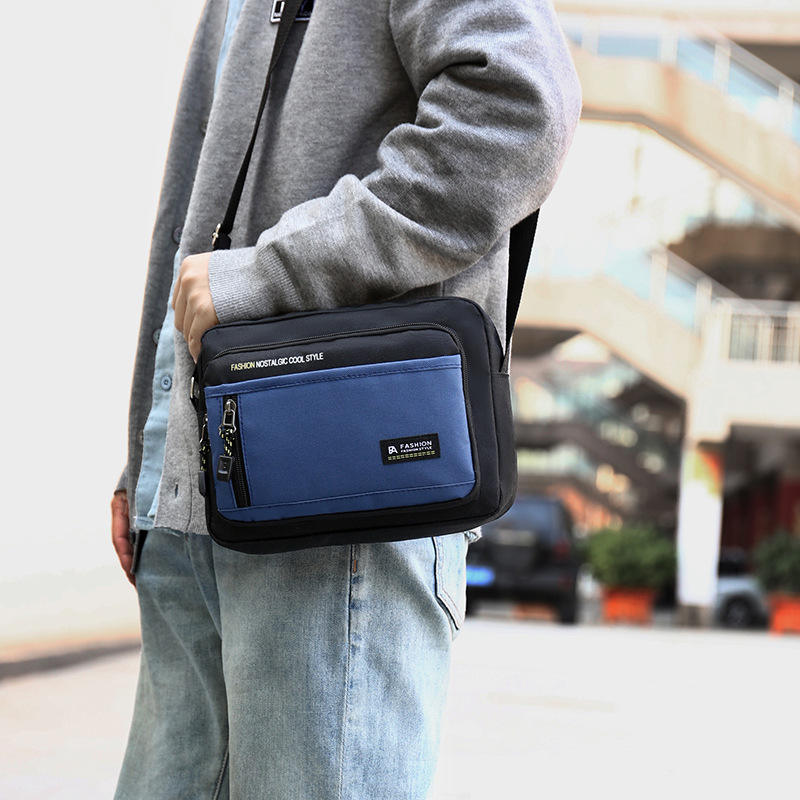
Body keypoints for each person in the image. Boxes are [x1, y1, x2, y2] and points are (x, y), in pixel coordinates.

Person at [111, 0, 582, 796]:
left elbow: (518, 109)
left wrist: (273, 274)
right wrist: (143, 456)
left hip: (338, 489)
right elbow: (191, 220)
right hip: (191, 484)